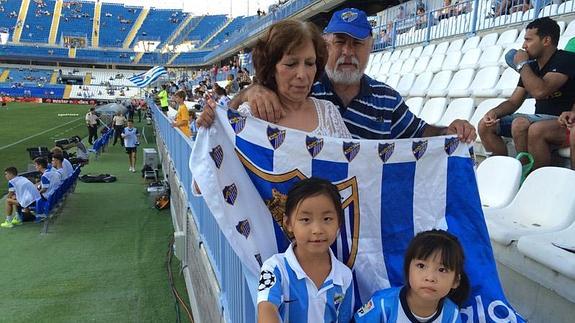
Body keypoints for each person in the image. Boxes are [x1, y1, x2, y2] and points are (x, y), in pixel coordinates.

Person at [198, 8, 475, 143]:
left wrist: (450, 131)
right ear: (327, 44)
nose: (347, 51)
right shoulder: (302, 89)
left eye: (357, 43)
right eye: (340, 42)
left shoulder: (386, 99)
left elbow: (421, 134)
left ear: (370, 46)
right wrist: (250, 90)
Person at [478, 17, 575, 170]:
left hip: (562, 121)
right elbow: (513, 102)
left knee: (521, 123)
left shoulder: (566, 59)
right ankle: (502, 173)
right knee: (485, 125)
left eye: (529, 40)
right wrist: (494, 112)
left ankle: (527, 175)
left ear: (546, 40)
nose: (524, 46)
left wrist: (522, 64)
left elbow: (540, 91)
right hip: (538, 120)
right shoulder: (532, 67)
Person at [257, 178, 353, 323]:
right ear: (288, 223)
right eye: (306, 220)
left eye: (327, 219)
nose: (317, 230)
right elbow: (266, 309)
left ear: (339, 223)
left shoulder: (344, 277)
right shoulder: (275, 268)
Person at [354, 229, 469, 322]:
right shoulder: (383, 304)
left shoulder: (451, 315)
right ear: (408, 269)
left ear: (456, 281)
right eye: (421, 266)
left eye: (442, 269)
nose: (430, 278)